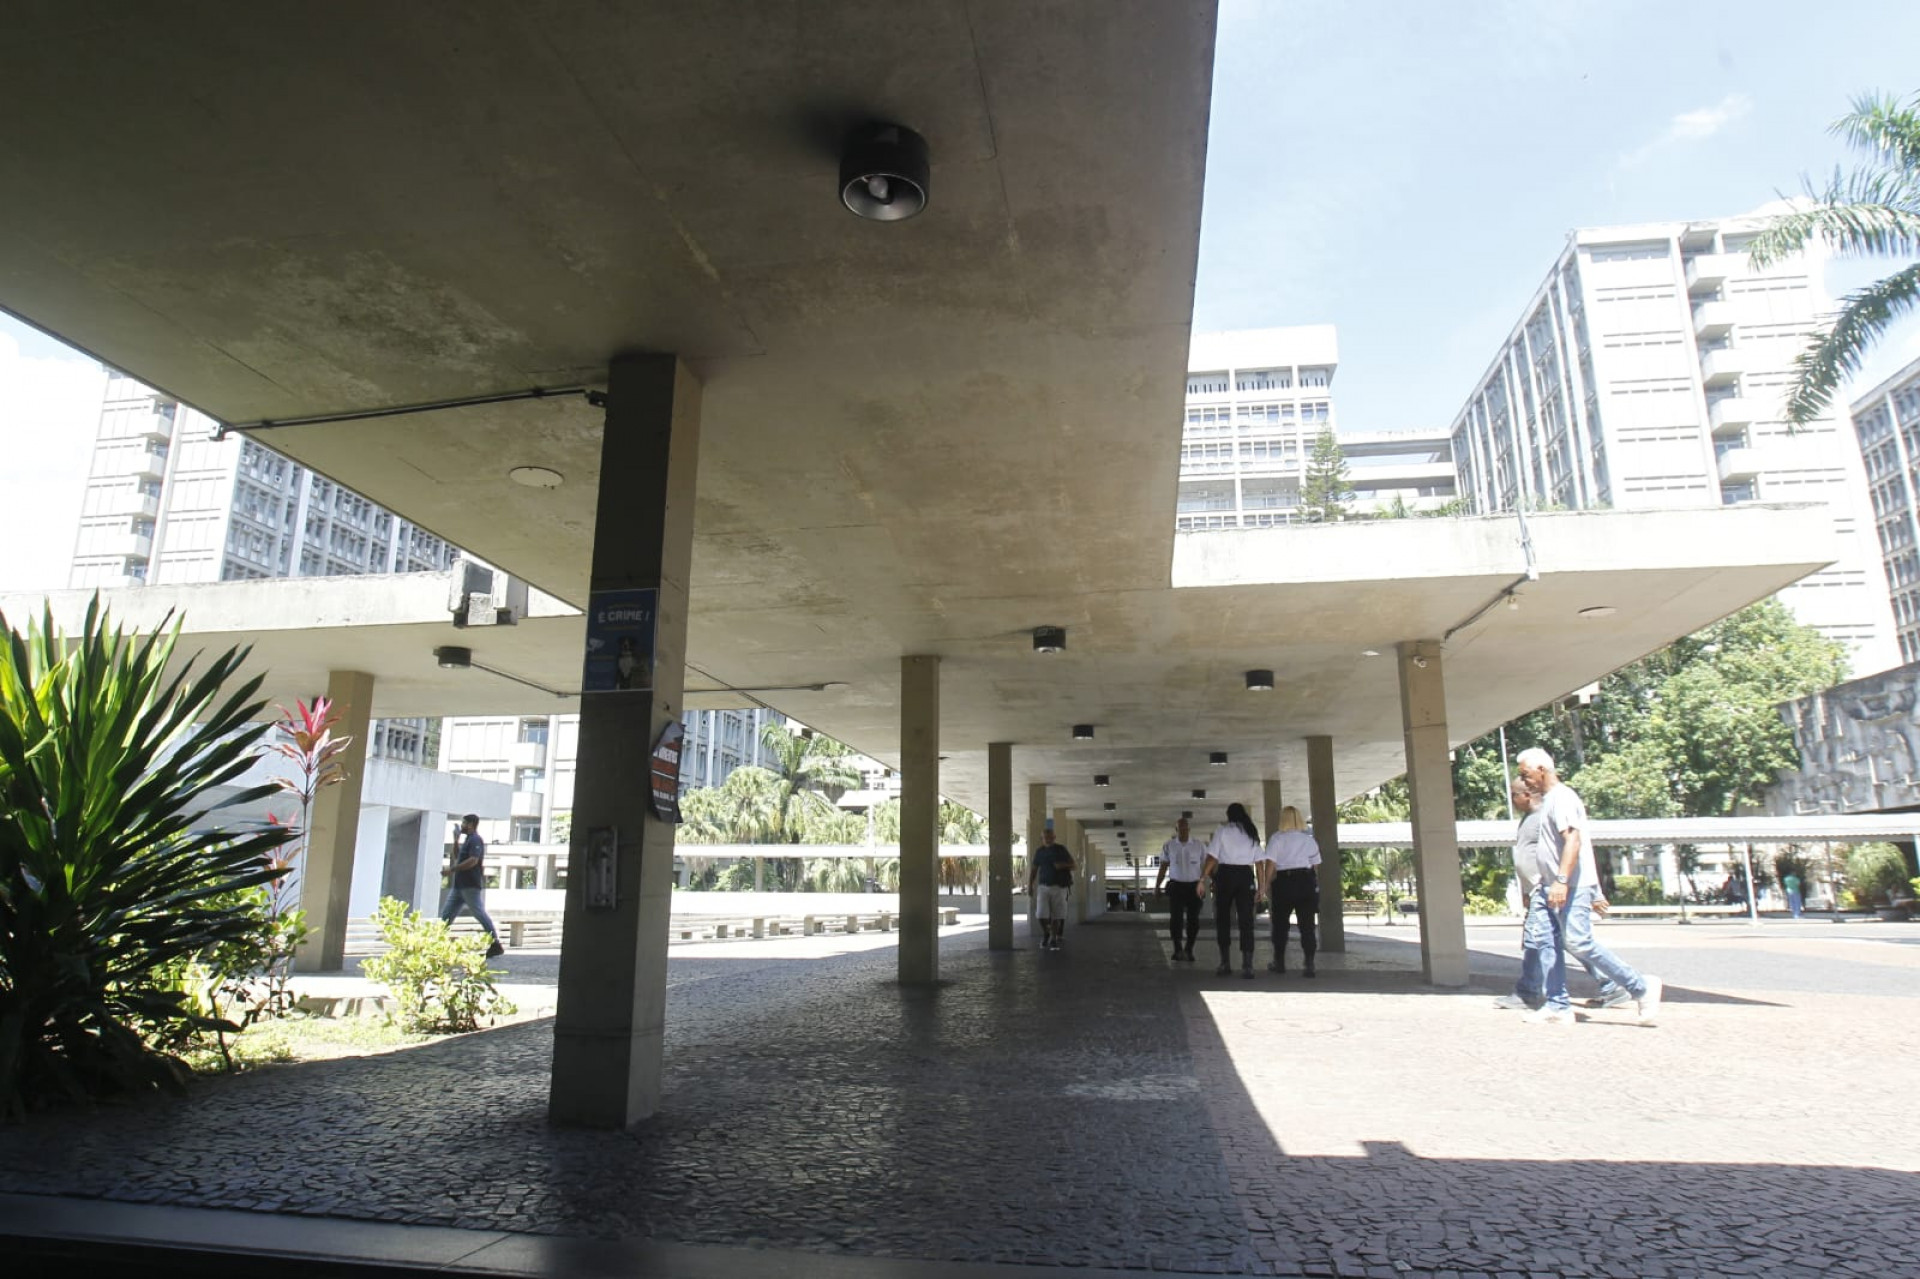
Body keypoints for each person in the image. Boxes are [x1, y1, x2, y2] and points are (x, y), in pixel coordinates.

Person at [1516, 748, 1662, 1026]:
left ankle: (1640, 986)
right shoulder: (1548, 801)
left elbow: (1574, 842)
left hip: (1568, 886)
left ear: (1542, 769)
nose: (1525, 782)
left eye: (1526, 774)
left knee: (1578, 942)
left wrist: (1562, 881)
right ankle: (1557, 1005)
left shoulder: (1562, 798)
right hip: (1547, 887)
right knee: (1546, 943)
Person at [1492, 778, 1625, 1012]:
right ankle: (1609, 985)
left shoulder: (1546, 817)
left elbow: (1575, 851)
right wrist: (1526, 890)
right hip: (1537, 890)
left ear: (1527, 795)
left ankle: (1529, 992)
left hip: (1549, 889)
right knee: (1556, 939)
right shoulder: (1530, 819)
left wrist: (1592, 891)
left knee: (1555, 939)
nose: (1512, 800)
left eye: (1514, 795)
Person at [1200, 802, 1269, 978]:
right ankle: (1247, 966)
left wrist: (1202, 878)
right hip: (1245, 876)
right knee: (1246, 921)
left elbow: (1212, 857)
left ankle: (1225, 963)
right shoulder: (1251, 833)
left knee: (1223, 919)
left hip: (1225, 875)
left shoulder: (1222, 831)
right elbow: (1259, 863)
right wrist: (1261, 887)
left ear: (1228, 815)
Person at [1264, 805, 1322, 977]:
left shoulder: (1277, 839)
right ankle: (1309, 963)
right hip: (1305, 881)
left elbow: (1270, 864)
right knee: (1307, 925)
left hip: (1284, 882)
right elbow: (1316, 864)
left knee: (1280, 924)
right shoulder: (1308, 840)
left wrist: (1266, 884)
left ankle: (1279, 961)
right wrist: (1311, 881)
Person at [441, 813, 505, 959]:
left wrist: (451, 870)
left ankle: (496, 944)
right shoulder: (468, 840)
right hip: (459, 886)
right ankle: (436, 943)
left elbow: (473, 860)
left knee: (479, 914)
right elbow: (457, 857)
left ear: (470, 824)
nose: (462, 826)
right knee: (446, 915)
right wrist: (456, 840)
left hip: (470, 885)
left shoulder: (476, 840)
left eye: (464, 823)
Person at [1155, 816, 1208, 962]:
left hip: (1194, 887)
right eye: (1180, 828)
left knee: (1193, 920)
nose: (1183, 831)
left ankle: (1189, 949)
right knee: (1176, 919)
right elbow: (1164, 866)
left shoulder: (1199, 845)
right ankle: (1177, 949)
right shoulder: (1169, 846)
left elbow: (1207, 865)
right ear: (1176, 829)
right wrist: (1157, 886)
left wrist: (1208, 881)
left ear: (1189, 829)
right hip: (1176, 886)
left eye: (1186, 828)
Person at [1028, 829, 1076, 952]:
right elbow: (1034, 869)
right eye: (1045, 837)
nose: (1047, 839)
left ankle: (1053, 938)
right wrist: (1030, 885)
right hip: (1043, 887)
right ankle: (1047, 933)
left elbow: (1073, 865)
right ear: (1042, 838)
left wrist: (1062, 865)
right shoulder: (1040, 852)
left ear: (1054, 837)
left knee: (1057, 915)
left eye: (1050, 837)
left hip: (1059, 887)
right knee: (1040, 914)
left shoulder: (1061, 849)